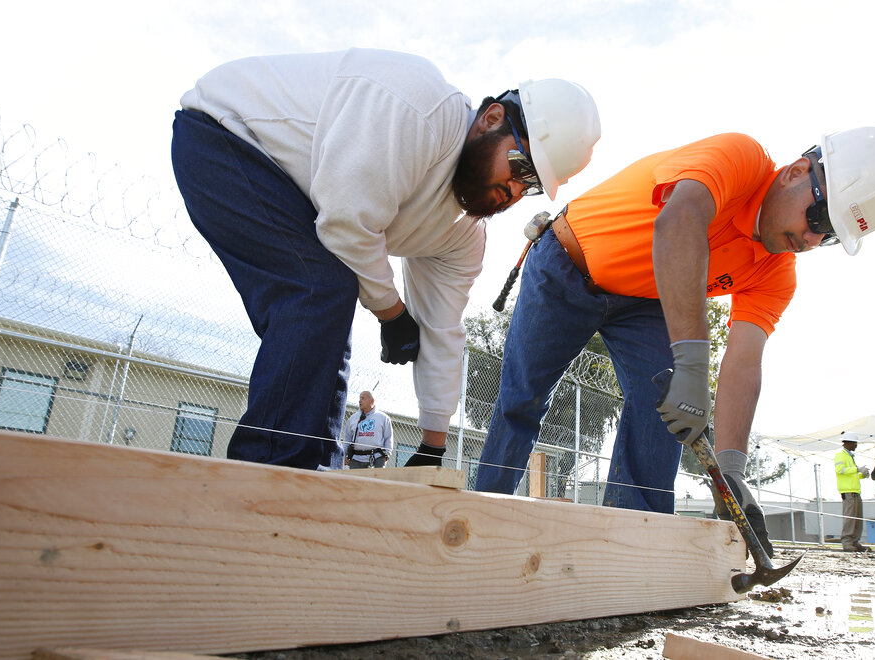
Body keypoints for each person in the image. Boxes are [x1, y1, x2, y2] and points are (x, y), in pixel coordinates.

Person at [476, 128, 875, 558]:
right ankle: (485, 525)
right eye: (818, 218)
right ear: (796, 171)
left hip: (645, 300)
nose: (810, 239)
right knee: (523, 396)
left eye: (829, 237)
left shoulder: (777, 272)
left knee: (662, 413)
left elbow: (744, 361)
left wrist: (731, 471)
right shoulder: (740, 158)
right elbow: (679, 219)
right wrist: (690, 361)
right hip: (566, 263)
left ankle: (636, 552)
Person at [171, 48, 600, 471]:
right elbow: (345, 223)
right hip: (226, 132)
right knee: (318, 289)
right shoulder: (421, 109)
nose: (515, 190)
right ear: (491, 119)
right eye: (520, 166)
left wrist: (433, 444)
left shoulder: (464, 235)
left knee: (329, 299)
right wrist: (392, 313)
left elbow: (441, 328)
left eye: (532, 186)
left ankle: (313, 470)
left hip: (298, 189)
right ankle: (266, 474)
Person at [835, 433, 871, 552]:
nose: (856, 446)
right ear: (848, 443)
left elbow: (851, 475)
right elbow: (840, 470)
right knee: (849, 518)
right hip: (848, 491)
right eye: (854, 443)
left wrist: (862, 475)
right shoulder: (840, 455)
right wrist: (857, 469)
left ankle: (855, 541)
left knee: (857, 518)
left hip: (855, 491)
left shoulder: (849, 456)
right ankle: (847, 542)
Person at [342, 391, 393, 469]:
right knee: (354, 481)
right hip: (355, 459)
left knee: (376, 481)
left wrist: (386, 455)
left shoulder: (383, 418)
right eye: (360, 398)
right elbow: (347, 439)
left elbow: (388, 438)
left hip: (377, 458)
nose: (360, 401)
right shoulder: (353, 418)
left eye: (363, 398)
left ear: (372, 401)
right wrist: (345, 456)